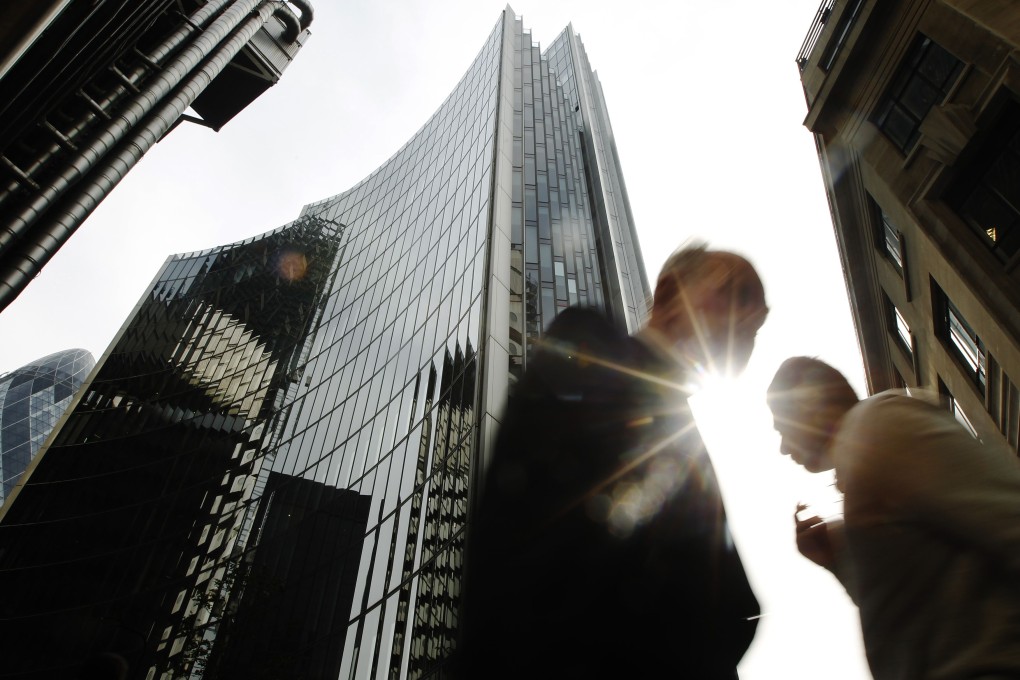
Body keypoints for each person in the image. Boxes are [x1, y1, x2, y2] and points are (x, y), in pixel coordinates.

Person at [457, 243, 767, 678]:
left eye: (758, 322)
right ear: (670, 292)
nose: (747, 321)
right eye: (733, 293)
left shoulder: (686, 440)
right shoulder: (591, 345)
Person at [767, 356, 1020, 680]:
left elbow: (1007, 515)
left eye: (781, 426)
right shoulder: (861, 466)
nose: (783, 448)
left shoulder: (879, 424)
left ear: (810, 404)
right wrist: (836, 562)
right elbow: (905, 617)